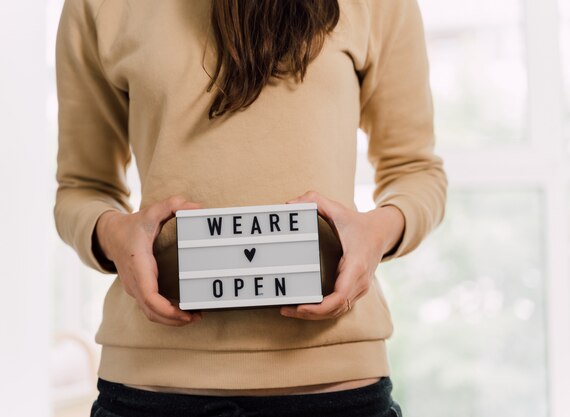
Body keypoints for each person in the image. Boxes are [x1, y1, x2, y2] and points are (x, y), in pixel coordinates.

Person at [54, 0, 447, 415]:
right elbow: (82, 188)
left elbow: (417, 171)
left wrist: (378, 233)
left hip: (334, 386)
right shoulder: (97, 6)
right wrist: (113, 235)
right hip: (151, 388)